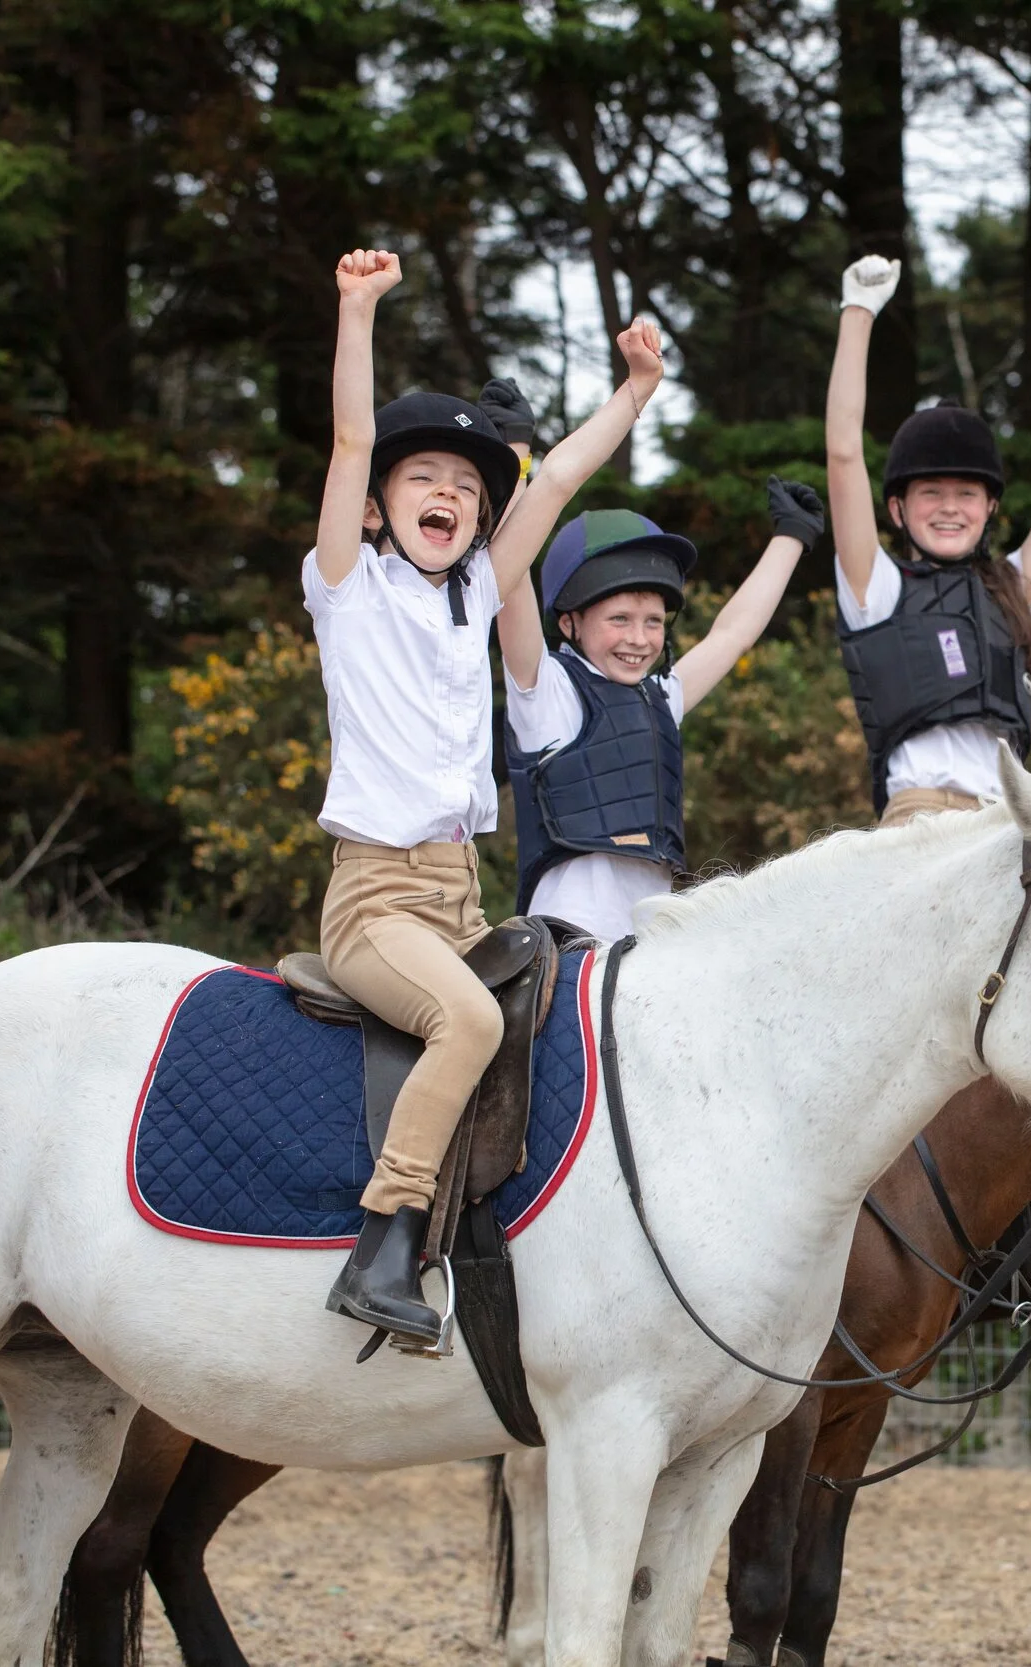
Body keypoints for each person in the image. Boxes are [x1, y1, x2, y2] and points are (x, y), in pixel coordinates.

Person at [307, 247, 662, 1345]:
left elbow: (552, 481)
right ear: (376, 512)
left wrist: (637, 393)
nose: (449, 496)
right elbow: (353, 438)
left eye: (466, 487)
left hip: (460, 897)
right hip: (376, 897)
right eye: (425, 482)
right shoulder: (345, 588)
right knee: (464, 1018)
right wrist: (357, 310)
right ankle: (383, 1245)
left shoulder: (475, 597)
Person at [823, 256, 1031, 824]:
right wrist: (858, 314)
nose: (950, 507)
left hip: (1008, 821)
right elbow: (844, 452)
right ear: (897, 508)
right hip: (916, 819)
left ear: (990, 507)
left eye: (967, 494)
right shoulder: (874, 583)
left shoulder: (1012, 586)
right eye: (931, 493)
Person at [497, 478, 825, 939]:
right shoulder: (545, 691)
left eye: (653, 622)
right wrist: (516, 462)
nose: (639, 639)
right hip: (568, 943)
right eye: (619, 620)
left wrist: (790, 537)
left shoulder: (660, 698)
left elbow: (732, 634)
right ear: (569, 621)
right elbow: (511, 578)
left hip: (654, 940)